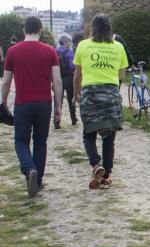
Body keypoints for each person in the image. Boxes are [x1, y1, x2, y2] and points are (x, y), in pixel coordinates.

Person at [0, 16, 62, 196]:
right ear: (40, 30)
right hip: (44, 103)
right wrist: (58, 107)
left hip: (22, 103)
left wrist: (3, 103)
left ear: (23, 30)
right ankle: (38, 179)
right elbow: (57, 81)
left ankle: (29, 169)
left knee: (21, 141)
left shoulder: (13, 51)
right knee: (40, 141)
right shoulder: (50, 51)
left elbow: (6, 82)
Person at [73, 14, 128, 190]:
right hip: (111, 94)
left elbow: (77, 74)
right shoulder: (118, 47)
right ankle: (106, 175)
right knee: (108, 137)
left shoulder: (83, 45)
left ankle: (96, 165)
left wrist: (76, 94)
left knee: (88, 134)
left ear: (93, 28)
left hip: (90, 94)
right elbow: (121, 75)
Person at [56, 33, 78, 125]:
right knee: (70, 99)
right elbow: (72, 66)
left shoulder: (55, 51)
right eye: (68, 41)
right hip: (69, 78)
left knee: (58, 101)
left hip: (57, 77)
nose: (70, 43)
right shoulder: (70, 52)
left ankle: (56, 122)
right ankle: (73, 119)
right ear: (65, 42)